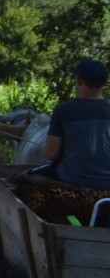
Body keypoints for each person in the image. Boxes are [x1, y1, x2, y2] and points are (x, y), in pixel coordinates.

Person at [38, 59, 110, 189]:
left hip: (72, 180)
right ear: (105, 83)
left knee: (27, 176)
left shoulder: (63, 110)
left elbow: (50, 155)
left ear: (78, 81)